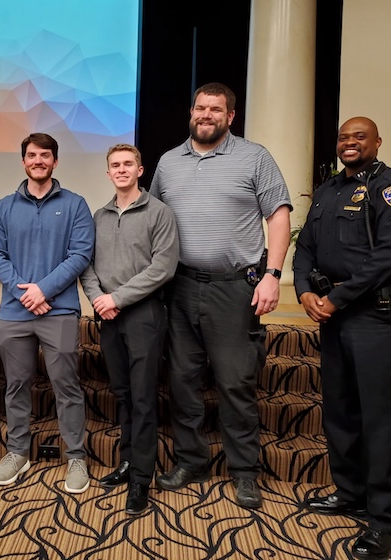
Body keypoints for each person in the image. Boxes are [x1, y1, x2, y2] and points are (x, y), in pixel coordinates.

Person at [150, 82, 292, 509]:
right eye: (200, 107)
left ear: (230, 116)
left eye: (215, 109)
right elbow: (151, 219)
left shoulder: (255, 157)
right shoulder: (168, 162)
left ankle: (244, 471)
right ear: (191, 112)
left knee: (235, 382)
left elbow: (278, 216)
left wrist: (272, 275)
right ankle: (191, 461)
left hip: (234, 289)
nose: (205, 115)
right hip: (179, 287)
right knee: (182, 381)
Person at [293, 117, 391, 559]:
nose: (349, 142)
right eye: (344, 136)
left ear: (377, 142)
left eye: (359, 136)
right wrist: (304, 290)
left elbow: (390, 256)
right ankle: (350, 494)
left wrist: (337, 298)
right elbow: (305, 246)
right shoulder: (328, 190)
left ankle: (386, 522)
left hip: (373, 317)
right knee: (340, 410)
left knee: (375, 418)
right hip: (332, 316)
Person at [0, 132, 95, 493]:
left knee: (67, 386)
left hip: (59, 311)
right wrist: (26, 293)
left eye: (45, 155)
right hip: (14, 313)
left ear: (55, 161)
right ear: (23, 161)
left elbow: (80, 254)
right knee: (16, 385)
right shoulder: (3, 207)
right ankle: (17, 452)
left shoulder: (75, 205)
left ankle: (75, 456)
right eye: (32, 155)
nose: (38, 161)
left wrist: (43, 290)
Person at [80, 144, 178, 515]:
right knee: (122, 393)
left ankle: (141, 478)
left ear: (140, 169)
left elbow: (162, 268)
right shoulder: (99, 216)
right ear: (108, 173)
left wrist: (117, 298)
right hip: (108, 316)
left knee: (142, 397)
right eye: (115, 165)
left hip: (143, 315)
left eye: (128, 164)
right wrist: (98, 299)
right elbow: (87, 265)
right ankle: (126, 461)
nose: (121, 170)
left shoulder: (159, 212)